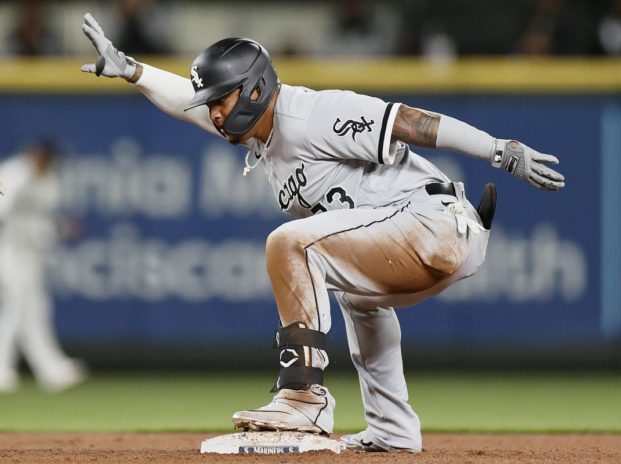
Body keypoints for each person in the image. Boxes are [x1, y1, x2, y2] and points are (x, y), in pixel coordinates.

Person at [81, 12, 565, 452]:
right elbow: (188, 104)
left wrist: (500, 150)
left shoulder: (310, 113)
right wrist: (133, 71)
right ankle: (393, 430)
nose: (214, 113)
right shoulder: (261, 134)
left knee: (291, 241)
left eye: (221, 101)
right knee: (359, 299)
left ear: (254, 90)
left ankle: (303, 396)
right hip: (410, 233)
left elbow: (410, 123)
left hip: (435, 222)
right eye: (211, 104)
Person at [0, 139, 87, 393]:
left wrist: (59, 228)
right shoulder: (11, 173)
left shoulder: (48, 178)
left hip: (32, 252)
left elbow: (43, 219)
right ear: (34, 155)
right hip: (8, 249)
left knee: (36, 308)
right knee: (15, 306)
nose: (45, 164)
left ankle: (50, 368)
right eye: (42, 158)